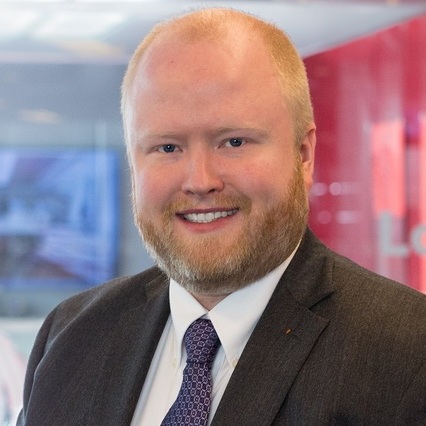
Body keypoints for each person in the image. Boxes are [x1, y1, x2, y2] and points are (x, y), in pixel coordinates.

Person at [18, 7, 426, 426]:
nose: (200, 181)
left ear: (303, 155)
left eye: (233, 142)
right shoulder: (69, 335)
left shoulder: (409, 354)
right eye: (167, 148)